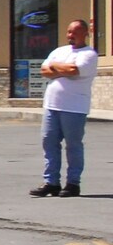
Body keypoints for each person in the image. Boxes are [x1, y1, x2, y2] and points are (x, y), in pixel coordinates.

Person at [31, 19, 98, 197]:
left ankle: (73, 183)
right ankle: (51, 182)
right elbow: (44, 70)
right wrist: (58, 68)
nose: (70, 35)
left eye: (75, 32)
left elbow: (73, 70)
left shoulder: (89, 54)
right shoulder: (59, 51)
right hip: (52, 106)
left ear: (85, 33)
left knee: (73, 145)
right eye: (69, 32)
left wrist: (54, 67)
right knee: (49, 142)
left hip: (74, 108)